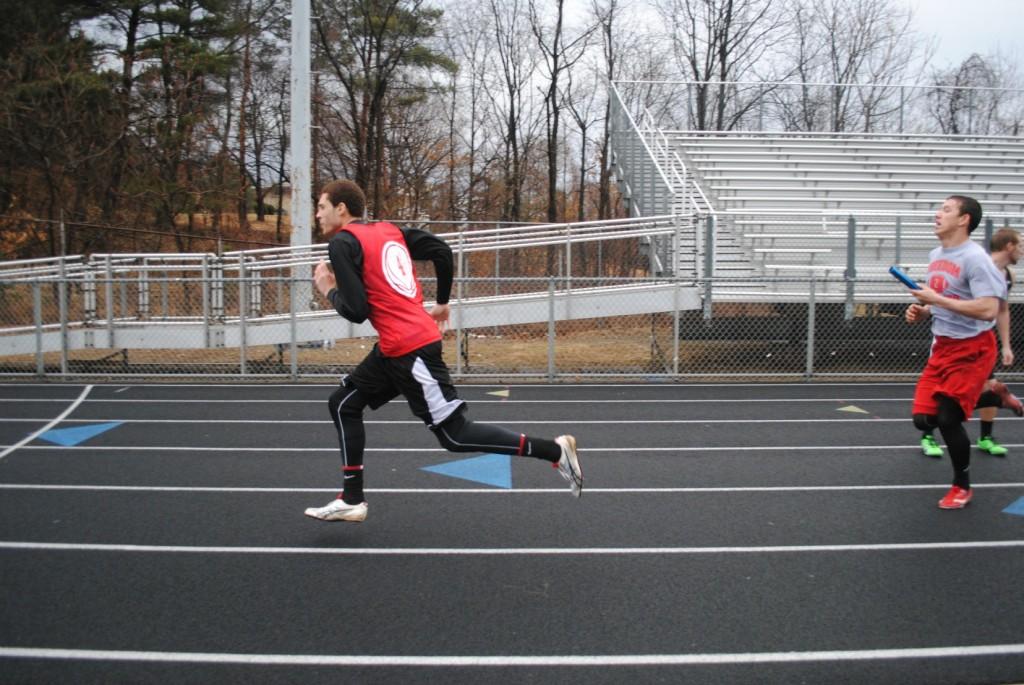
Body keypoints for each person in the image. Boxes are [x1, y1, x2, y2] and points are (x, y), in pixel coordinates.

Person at [303, 179, 583, 522]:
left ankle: (555, 450)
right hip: (395, 348)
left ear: (341, 208)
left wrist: (328, 289)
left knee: (455, 434)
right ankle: (351, 498)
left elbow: (357, 310)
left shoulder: (342, 243)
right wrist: (442, 303)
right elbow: (441, 251)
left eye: (321, 206)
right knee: (344, 403)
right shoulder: (390, 231)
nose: (317, 214)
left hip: (411, 350)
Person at [905, 195, 1016, 509]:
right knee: (923, 420)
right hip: (943, 346)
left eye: (946, 209)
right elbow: (943, 297)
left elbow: (987, 310)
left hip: (972, 348)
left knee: (948, 417)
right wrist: (924, 310)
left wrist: (935, 302)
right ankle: (995, 397)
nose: (937, 213)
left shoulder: (975, 258)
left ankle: (961, 487)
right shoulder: (936, 254)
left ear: (964, 219)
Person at [918, 228, 1023, 458]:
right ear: (1009, 246)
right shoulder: (975, 263)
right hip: (948, 340)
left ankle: (985, 436)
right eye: (1020, 246)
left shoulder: (1008, 275)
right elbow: (941, 295)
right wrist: (926, 309)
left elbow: (1001, 311)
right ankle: (928, 435)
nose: (1022, 251)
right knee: (940, 394)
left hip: (978, 343)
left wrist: (1006, 344)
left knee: (988, 385)